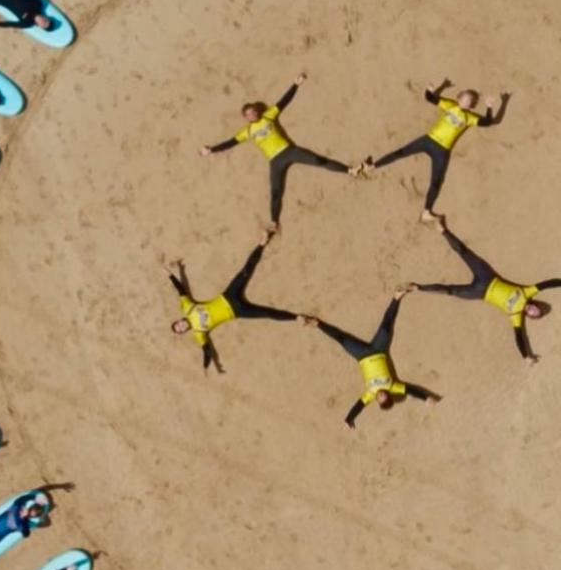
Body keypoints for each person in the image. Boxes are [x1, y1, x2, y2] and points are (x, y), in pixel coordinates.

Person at [199, 73, 360, 230]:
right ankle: (274, 221)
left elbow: (284, 101)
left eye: (254, 111)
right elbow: (230, 143)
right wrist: (211, 150)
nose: (252, 114)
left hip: (289, 150)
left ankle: (350, 170)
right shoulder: (247, 132)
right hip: (275, 161)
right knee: (276, 192)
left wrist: (295, 84)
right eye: (249, 113)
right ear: (246, 118)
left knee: (318, 160)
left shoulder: (268, 116)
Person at [410, 219, 561, 363]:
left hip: (480, 293)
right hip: (488, 277)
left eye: (533, 314)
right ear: (535, 304)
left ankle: (418, 287)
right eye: (536, 309)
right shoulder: (527, 293)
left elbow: (520, 338)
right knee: (464, 252)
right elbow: (547, 284)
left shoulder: (515, 315)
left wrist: (526, 357)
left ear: (529, 316)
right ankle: (442, 229)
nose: (532, 310)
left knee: (450, 291)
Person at [364, 80, 501, 222]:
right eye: (465, 99)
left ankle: (426, 212)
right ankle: (372, 166)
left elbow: (487, 122)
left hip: (442, 151)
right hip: (428, 140)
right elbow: (430, 98)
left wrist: (489, 107)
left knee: (436, 181)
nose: (466, 103)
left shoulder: (469, 117)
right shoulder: (450, 105)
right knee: (401, 152)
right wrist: (432, 89)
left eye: (470, 102)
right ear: (459, 98)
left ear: (471, 105)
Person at [307, 289, 439, 429]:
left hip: (361, 356)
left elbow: (358, 407)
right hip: (379, 350)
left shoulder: (370, 394)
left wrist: (349, 419)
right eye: (385, 397)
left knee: (342, 339)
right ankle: (396, 298)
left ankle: (318, 324)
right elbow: (411, 390)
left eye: (380, 400)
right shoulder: (392, 386)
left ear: (377, 401)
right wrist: (426, 398)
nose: (381, 396)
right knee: (386, 325)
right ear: (389, 395)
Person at [168, 233, 299, 373]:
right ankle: (297, 317)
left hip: (228, 296)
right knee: (266, 313)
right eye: (180, 330)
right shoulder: (198, 333)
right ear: (184, 332)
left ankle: (262, 244)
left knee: (245, 271)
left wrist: (170, 275)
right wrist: (208, 366)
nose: (181, 327)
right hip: (236, 311)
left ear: (179, 320)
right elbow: (207, 350)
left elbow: (181, 290)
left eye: (178, 325)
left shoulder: (188, 308)